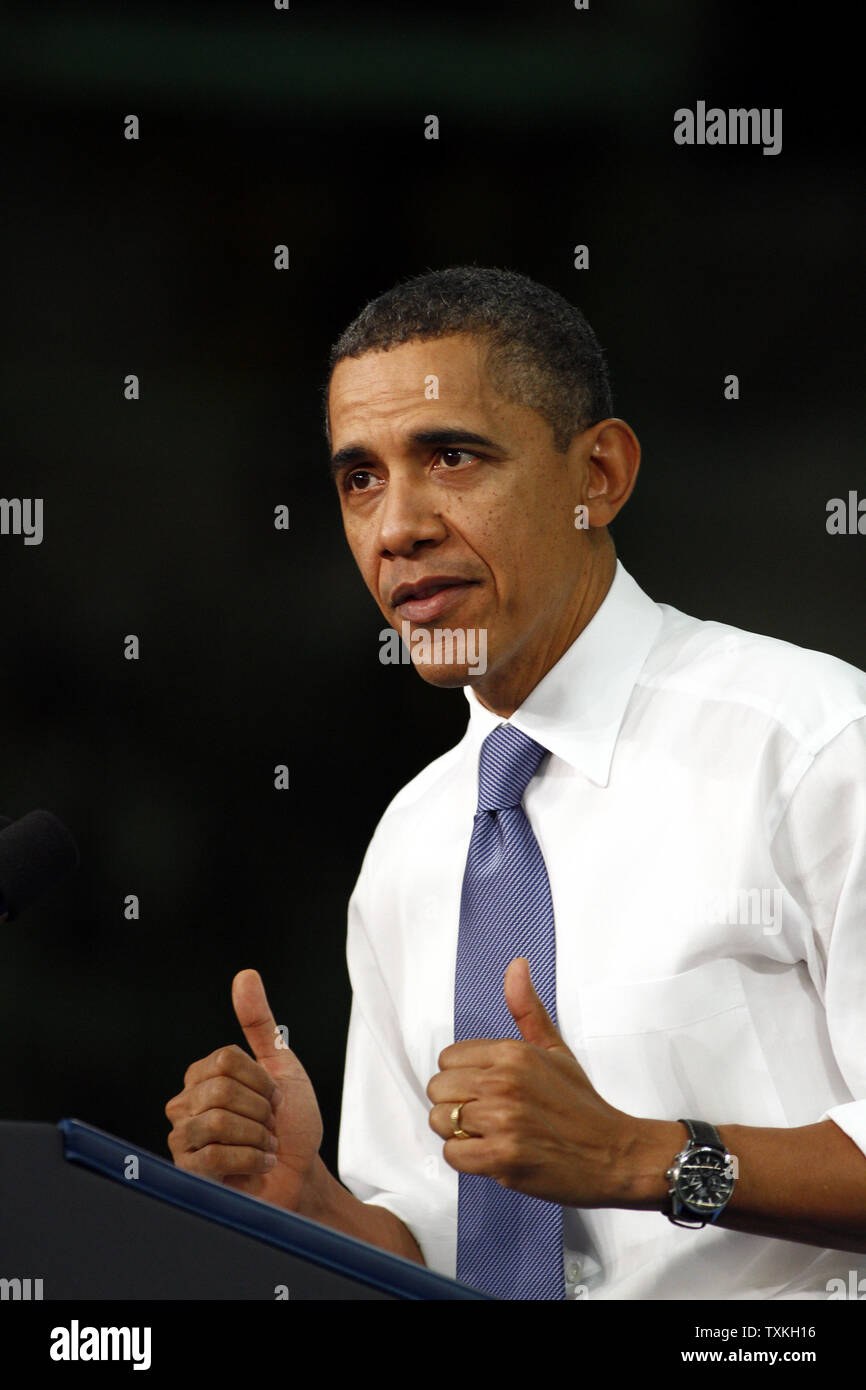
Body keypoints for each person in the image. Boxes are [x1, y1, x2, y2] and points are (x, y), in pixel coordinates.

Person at [165, 267, 866, 1299]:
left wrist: (640, 1155)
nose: (395, 525)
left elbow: (619, 1157)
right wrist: (314, 1203)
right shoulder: (410, 843)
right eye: (359, 477)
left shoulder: (811, 747)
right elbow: (443, 1253)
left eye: (449, 456)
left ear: (599, 473)